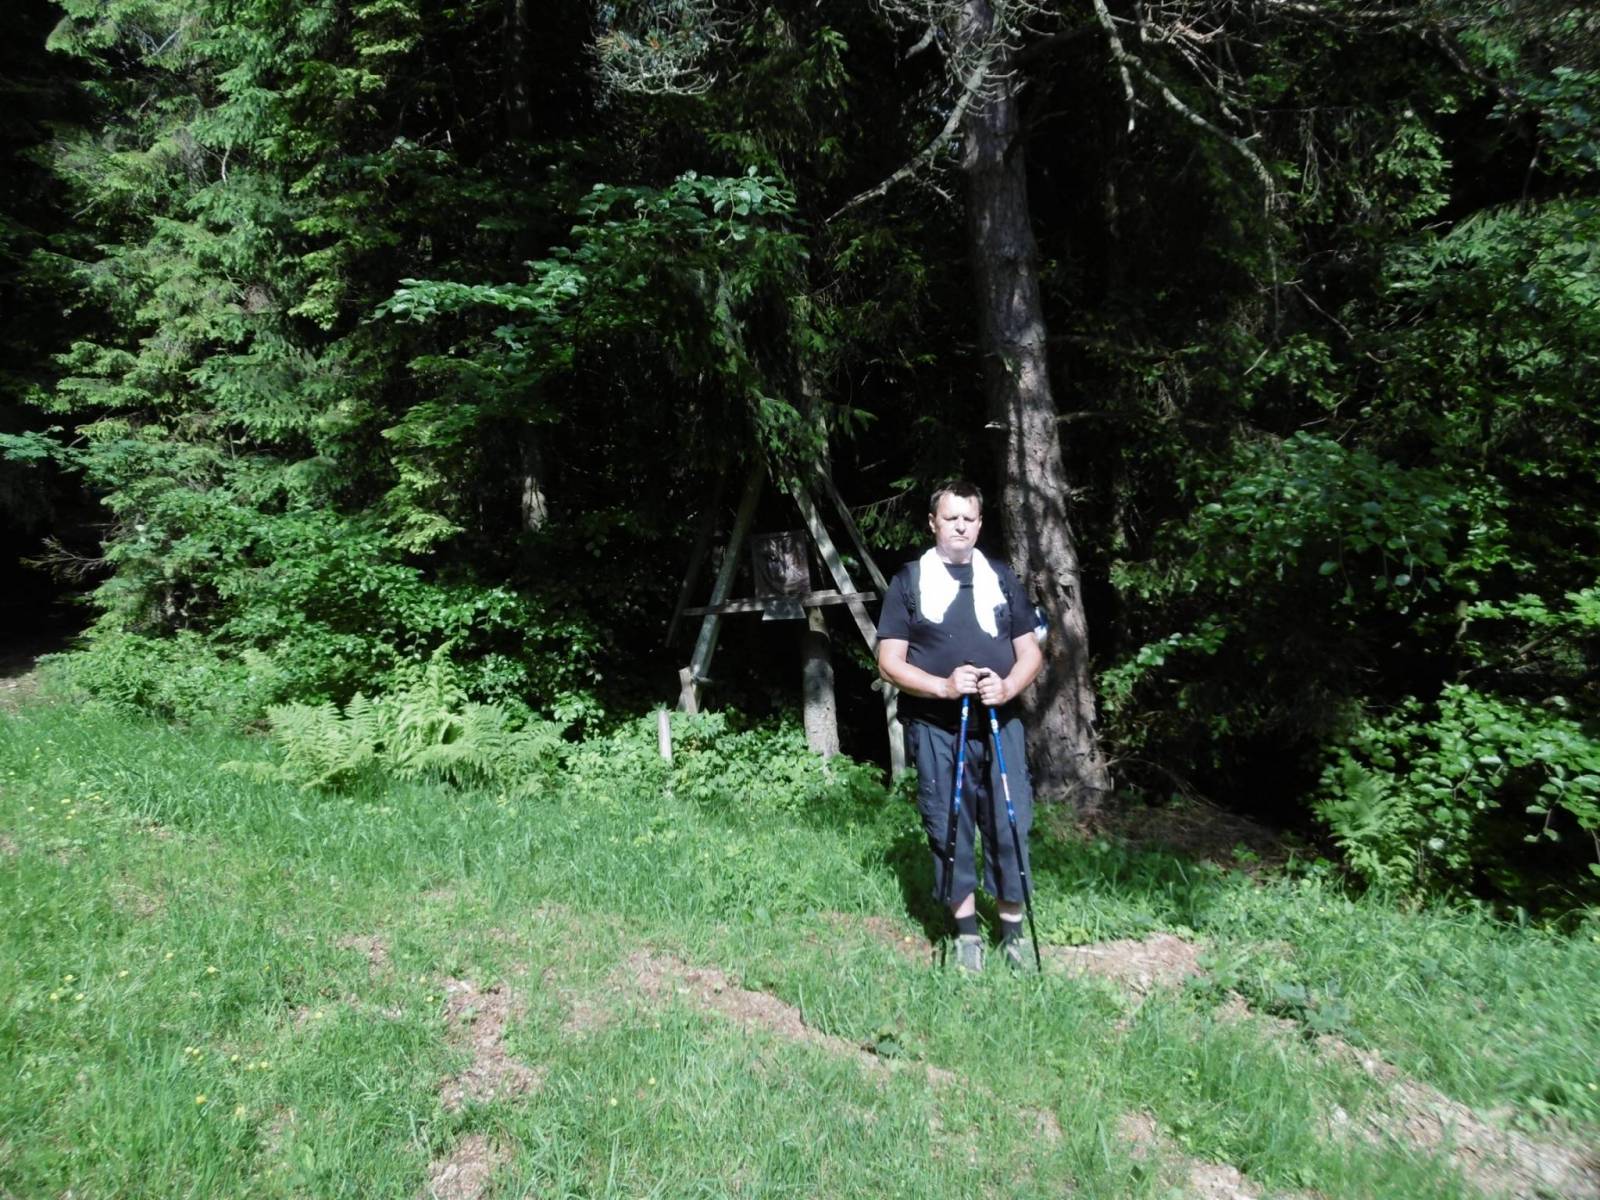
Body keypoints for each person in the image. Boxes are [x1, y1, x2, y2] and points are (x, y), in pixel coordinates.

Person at [876, 480, 1043, 972]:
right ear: (933, 523)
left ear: (980, 524)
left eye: (969, 519)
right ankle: (967, 935)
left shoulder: (1001, 578)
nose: (960, 527)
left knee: (1010, 826)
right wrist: (944, 687)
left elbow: (1031, 652)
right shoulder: (909, 582)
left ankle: (1012, 934)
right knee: (949, 828)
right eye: (951, 518)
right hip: (937, 727)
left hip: (999, 723)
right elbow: (889, 662)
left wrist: (1008, 687)